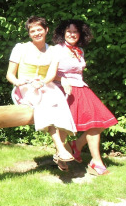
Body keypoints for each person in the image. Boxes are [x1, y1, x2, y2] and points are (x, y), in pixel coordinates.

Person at [6, 15, 77, 170]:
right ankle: (61, 149)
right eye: (32, 31)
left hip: (45, 85)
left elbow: (51, 74)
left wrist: (43, 82)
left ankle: (60, 153)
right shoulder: (21, 48)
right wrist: (18, 81)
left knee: (61, 103)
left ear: (46, 30)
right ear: (29, 33)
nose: (36, 33)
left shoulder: (53, 51)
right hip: (25, 88)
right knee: (44, 103)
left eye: (39, 29)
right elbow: (10, 75)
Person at [52, 19, 118, 175]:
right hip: (63, 90)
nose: (72, 34)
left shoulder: (79, 50)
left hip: (81, 88)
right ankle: (63, 154)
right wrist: (62, 79)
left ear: (80, 34)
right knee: (64, 124)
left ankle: (79, 148)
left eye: (75, 31)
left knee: (99, 122)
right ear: (63, 33)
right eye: (69, 31)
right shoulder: (56, 50)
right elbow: (46, 73)